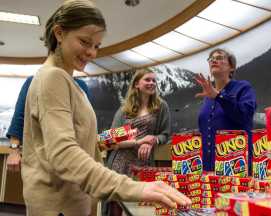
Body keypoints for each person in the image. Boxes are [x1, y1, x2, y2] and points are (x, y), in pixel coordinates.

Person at [21, 1, 190, 215]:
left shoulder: (69, 82)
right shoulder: (53, 77)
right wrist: (133, 187)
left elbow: (81, 143)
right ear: (59, 33)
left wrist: (107, 141)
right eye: (85, 42)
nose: (92, 52)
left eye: (97, 46)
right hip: (58, 205)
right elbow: (63, 153)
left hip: (72, 200)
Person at [103, 68, 171, 215]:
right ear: (136, 84)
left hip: (143, 166)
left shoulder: (160, 107)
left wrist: (152, 140)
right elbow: (110, 140)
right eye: (147, 79)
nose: (152, 83)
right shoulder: (124, 110)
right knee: (116, 208)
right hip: (119, 165)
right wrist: (139, 142)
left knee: (141, 209)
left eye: (154, 80)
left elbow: (165, 134)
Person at [6, 75, 91, 172]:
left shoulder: (81, 86)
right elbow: (19, 119)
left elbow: (88, 129)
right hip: (39, 163)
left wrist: (110, 137)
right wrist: (14, 151)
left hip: (72, 163)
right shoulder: (34, 81)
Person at [196, 48, 257, 175]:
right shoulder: (208, 97)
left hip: (236, 167)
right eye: (211, 59)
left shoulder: (243, 87)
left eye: (219, 58)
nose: (214, 60)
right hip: (209, 168)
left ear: (232, 67)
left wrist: (219, 96)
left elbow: (245, 115)